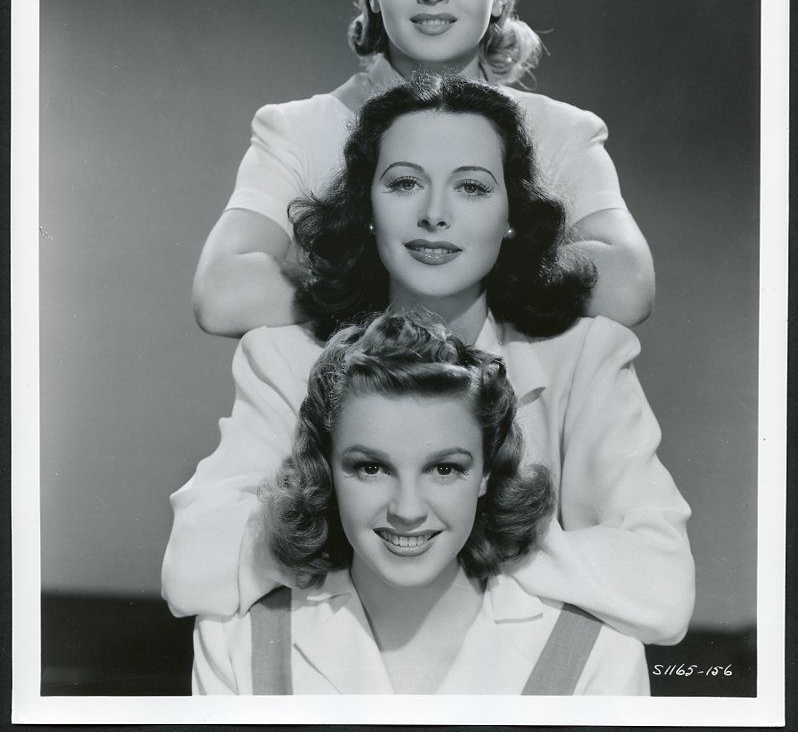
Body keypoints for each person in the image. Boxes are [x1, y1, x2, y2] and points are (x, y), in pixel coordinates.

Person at [162, 76, 694, 646]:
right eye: (405, 183)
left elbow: (663, 586)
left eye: (471, 188)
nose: (435, 214)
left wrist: (419, 533)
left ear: (512, 213)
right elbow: (193, 565)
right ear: (365, 205)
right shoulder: (283, 354)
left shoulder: (586, 354)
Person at [191, 0, 655, 337]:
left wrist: (427, 263)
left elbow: (629, 283)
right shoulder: (297, 129)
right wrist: (425, 267)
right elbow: (222, 295)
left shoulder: (563, 131)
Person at [193, 312, 650, 695]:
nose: (407, 510)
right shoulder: (239, 643)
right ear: (326, 468)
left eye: (445, 469)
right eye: (372, 468)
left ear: (487, 472)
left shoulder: (598, 653)